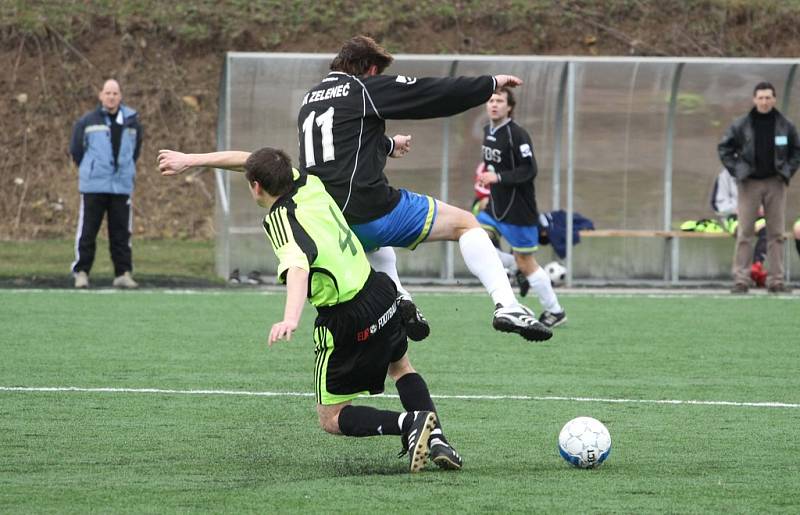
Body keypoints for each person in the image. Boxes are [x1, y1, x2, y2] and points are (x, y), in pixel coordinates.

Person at [159, 147, 462, 473]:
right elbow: (250, 161)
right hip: (378, 290)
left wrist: (290, 318)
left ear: (256, 187)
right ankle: (438, 439)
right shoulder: (308, 183)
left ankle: (409, 422)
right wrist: (190, 160)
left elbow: (298, 268)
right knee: (401, 366)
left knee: (331, 417)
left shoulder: (280, 221)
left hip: (346, 316)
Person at [298, 35, 551, 342]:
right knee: (466, 224)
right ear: (372, 70)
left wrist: (389, 145)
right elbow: (429, 93)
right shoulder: (364, 87)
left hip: (330, 219)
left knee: (374, 243)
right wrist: (489, 83)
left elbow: (340, 147)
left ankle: (401, 298)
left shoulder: (311, 98)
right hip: (368, 205)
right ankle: (507, 305)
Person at [475, 88, 567, 328]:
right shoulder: (488, 131)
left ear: (509, 107)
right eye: (491, 100)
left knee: (527, 262)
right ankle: (514, 265)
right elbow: (492, 166)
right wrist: (488, 184)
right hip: (496, 206)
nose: (494, 104)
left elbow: (529, 170)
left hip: (519, 211)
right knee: (474, 238)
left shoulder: (518, 135)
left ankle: (554, 310)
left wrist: (498, 179)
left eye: (500, 101)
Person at [718, 81, 800, 294]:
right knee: (745, 232)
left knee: (776, 233)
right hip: (750, 183)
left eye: (768, 97)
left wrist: (786, 172)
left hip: (775, 182)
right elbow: (724, 148)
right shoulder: (741, 125)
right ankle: (741, 280)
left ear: (774, 99)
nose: (764, 101)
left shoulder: (785, 125)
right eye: (761, 98)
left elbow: (796, 151)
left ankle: (776, 280)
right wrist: (738, 171)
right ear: (754, 100)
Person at [69, 79, 142, 289]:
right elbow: (76, 149)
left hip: (121, 186)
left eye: (115, 93)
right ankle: (81, 272)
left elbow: (136, 150)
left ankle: (122, 273)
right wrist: (91, 168)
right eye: (108, 92)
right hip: (94, 185)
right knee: (88, 231)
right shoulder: (87, 121)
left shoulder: (132, 122)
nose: (111, 96)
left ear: (120, 96)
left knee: (121, 232)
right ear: (101, 95)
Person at [709, 168, 769, 286]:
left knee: (768, 230)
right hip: (733, 216)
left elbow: (766, 200)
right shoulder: (724, 175)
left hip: (755, 215)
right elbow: (717, 204)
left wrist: (761, 208)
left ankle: (756, 266)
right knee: (742, 232)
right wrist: (737, 209)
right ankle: (742, 274)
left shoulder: (757, 172)